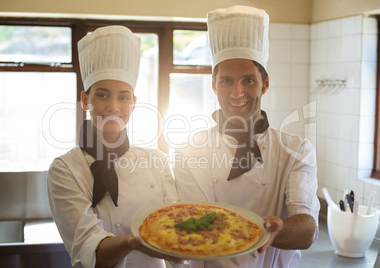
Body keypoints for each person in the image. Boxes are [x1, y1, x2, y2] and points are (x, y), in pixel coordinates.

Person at [173, 6, 320, 268]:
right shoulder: (188, 151)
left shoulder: (296, 150)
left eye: (249, 80)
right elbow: (195, 223)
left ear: (265, 84)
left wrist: (276, 230)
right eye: (227, 81)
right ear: (214, 85)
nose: (237, 92)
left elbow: (307, 230)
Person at [47, 25, 180, 268]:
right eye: (103, 95)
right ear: (85, 100)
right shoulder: (65, 169)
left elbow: (175, 233)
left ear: (134, 102)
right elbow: (89, 250)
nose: (114, 107)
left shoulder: (157, 161)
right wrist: (135, 243)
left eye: (124, 96)